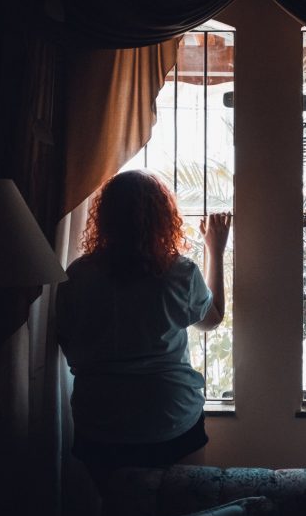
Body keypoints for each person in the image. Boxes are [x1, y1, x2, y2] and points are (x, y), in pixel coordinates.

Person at [55, 169, 231, 485]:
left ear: (104, 217)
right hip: (169, 415)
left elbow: (67, 342)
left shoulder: (78, 274)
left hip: (100, 422)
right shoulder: (179, 272)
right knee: (184, 508)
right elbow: (212, 318)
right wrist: (214, 249)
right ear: (163, 217)